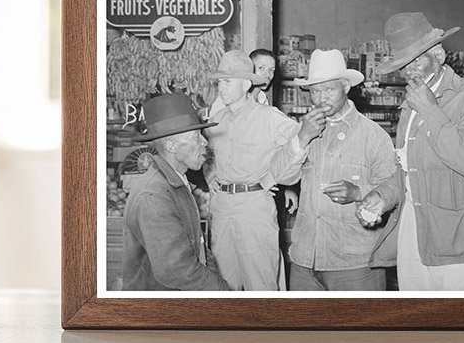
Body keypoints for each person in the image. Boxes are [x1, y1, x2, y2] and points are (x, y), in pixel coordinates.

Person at [363, 12, 464, 291]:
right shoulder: (409, 107)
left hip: (462, 240)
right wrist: (382, 197)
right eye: (404, 64)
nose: (410, 71)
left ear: (439, 55)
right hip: (415, 234)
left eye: (417, 60)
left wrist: (430, 110)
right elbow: (406, 170)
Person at [282, 49, 400, 292]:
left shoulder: (373, 135)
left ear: (346, 86)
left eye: (329, 90)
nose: (321, 98)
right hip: (305, 260)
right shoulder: (303, 130)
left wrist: (358, 192)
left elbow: (395, 187)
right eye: (315, 91)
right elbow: (283, 176)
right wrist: (302, 138)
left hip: (354, 265)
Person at [207, 50, 318, 290]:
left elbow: (301, 142)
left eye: (227, 82)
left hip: (253, 208)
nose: (221, 88)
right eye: (219, 82)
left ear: (246, 84)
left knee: (261, 284)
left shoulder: (269, 118)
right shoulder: (216, 120)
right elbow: (208, 156)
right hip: (222, 208)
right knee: (223, 285)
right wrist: (210, 178)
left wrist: (276, 177)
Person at [120, 93, 231, 291]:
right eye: (196, 137)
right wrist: (222, 291)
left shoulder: (175, 181)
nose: (205, 143)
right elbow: (176, 270)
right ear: (172, 146)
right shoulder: (154, 195)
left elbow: (197, 244)